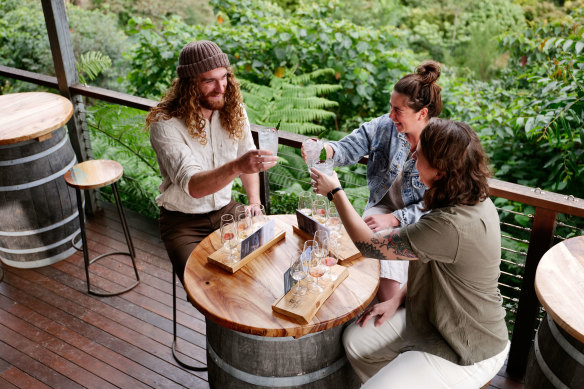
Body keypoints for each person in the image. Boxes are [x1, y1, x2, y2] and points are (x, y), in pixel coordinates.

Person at [310, 118, 509, 388]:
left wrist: (335, 192)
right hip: (432, 315)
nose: (412, 155)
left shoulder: (450, 224)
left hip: (466, 345)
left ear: (440, 170)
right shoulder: (466, 197)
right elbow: (433, 263)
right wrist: (397, 299)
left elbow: (369, 246)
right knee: (355, 343)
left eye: (420, 153)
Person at [302, 61, 442, 322]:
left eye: (397, 110)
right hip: (382, 205)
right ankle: (390, 312)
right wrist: (325, 150)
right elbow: (349, 147)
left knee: (383, 238)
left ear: (422, 113)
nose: (390, 115)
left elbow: (437, 202)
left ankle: (386, 316)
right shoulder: (384, 127)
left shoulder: (440, 143)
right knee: (377, 238)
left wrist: (396, 219)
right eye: (391, 106)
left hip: (420, 217)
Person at [146, 40, 278, 284]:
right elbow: (194, 186)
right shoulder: (165, 124)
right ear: (189, 84)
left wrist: (255, 202)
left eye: (224, 77)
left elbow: (247, 157)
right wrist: (238, 165)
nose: (221, 88)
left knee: (264, 259)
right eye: (209, 81)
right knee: (207, 285)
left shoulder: (233, 107)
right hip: (182, 223)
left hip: (226, 211)